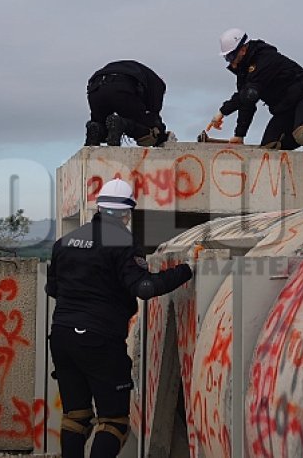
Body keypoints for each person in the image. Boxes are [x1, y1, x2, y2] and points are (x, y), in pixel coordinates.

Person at [45, 178, 194, 458]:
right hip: (100, 339)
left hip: (62, 336)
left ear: (99, 208)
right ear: (127, 212)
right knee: (114, 422)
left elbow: (52, 289)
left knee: (76, 416)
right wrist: (186, 270)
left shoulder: (65, 242)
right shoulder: (123, 242)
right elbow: (144, 287)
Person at [210, 28, 303, 151]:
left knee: (302, 134)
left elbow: (250, 94)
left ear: (243, 49)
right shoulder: (244, 73)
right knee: (270, 147)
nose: (230, 62)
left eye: (231, 56)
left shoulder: (265, 58)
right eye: (226, 58)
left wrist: (222, 112)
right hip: (284, 108)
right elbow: (247, 103)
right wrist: (240, 135)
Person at [85, 60, 173, 147]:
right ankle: (121, 124)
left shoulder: (141, 73)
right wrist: (161, 137)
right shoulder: (158, 84)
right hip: (122, 87)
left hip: (95, 89)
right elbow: (153, 115)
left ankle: (97, 131)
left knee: (103, 124)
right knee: (141, 126)